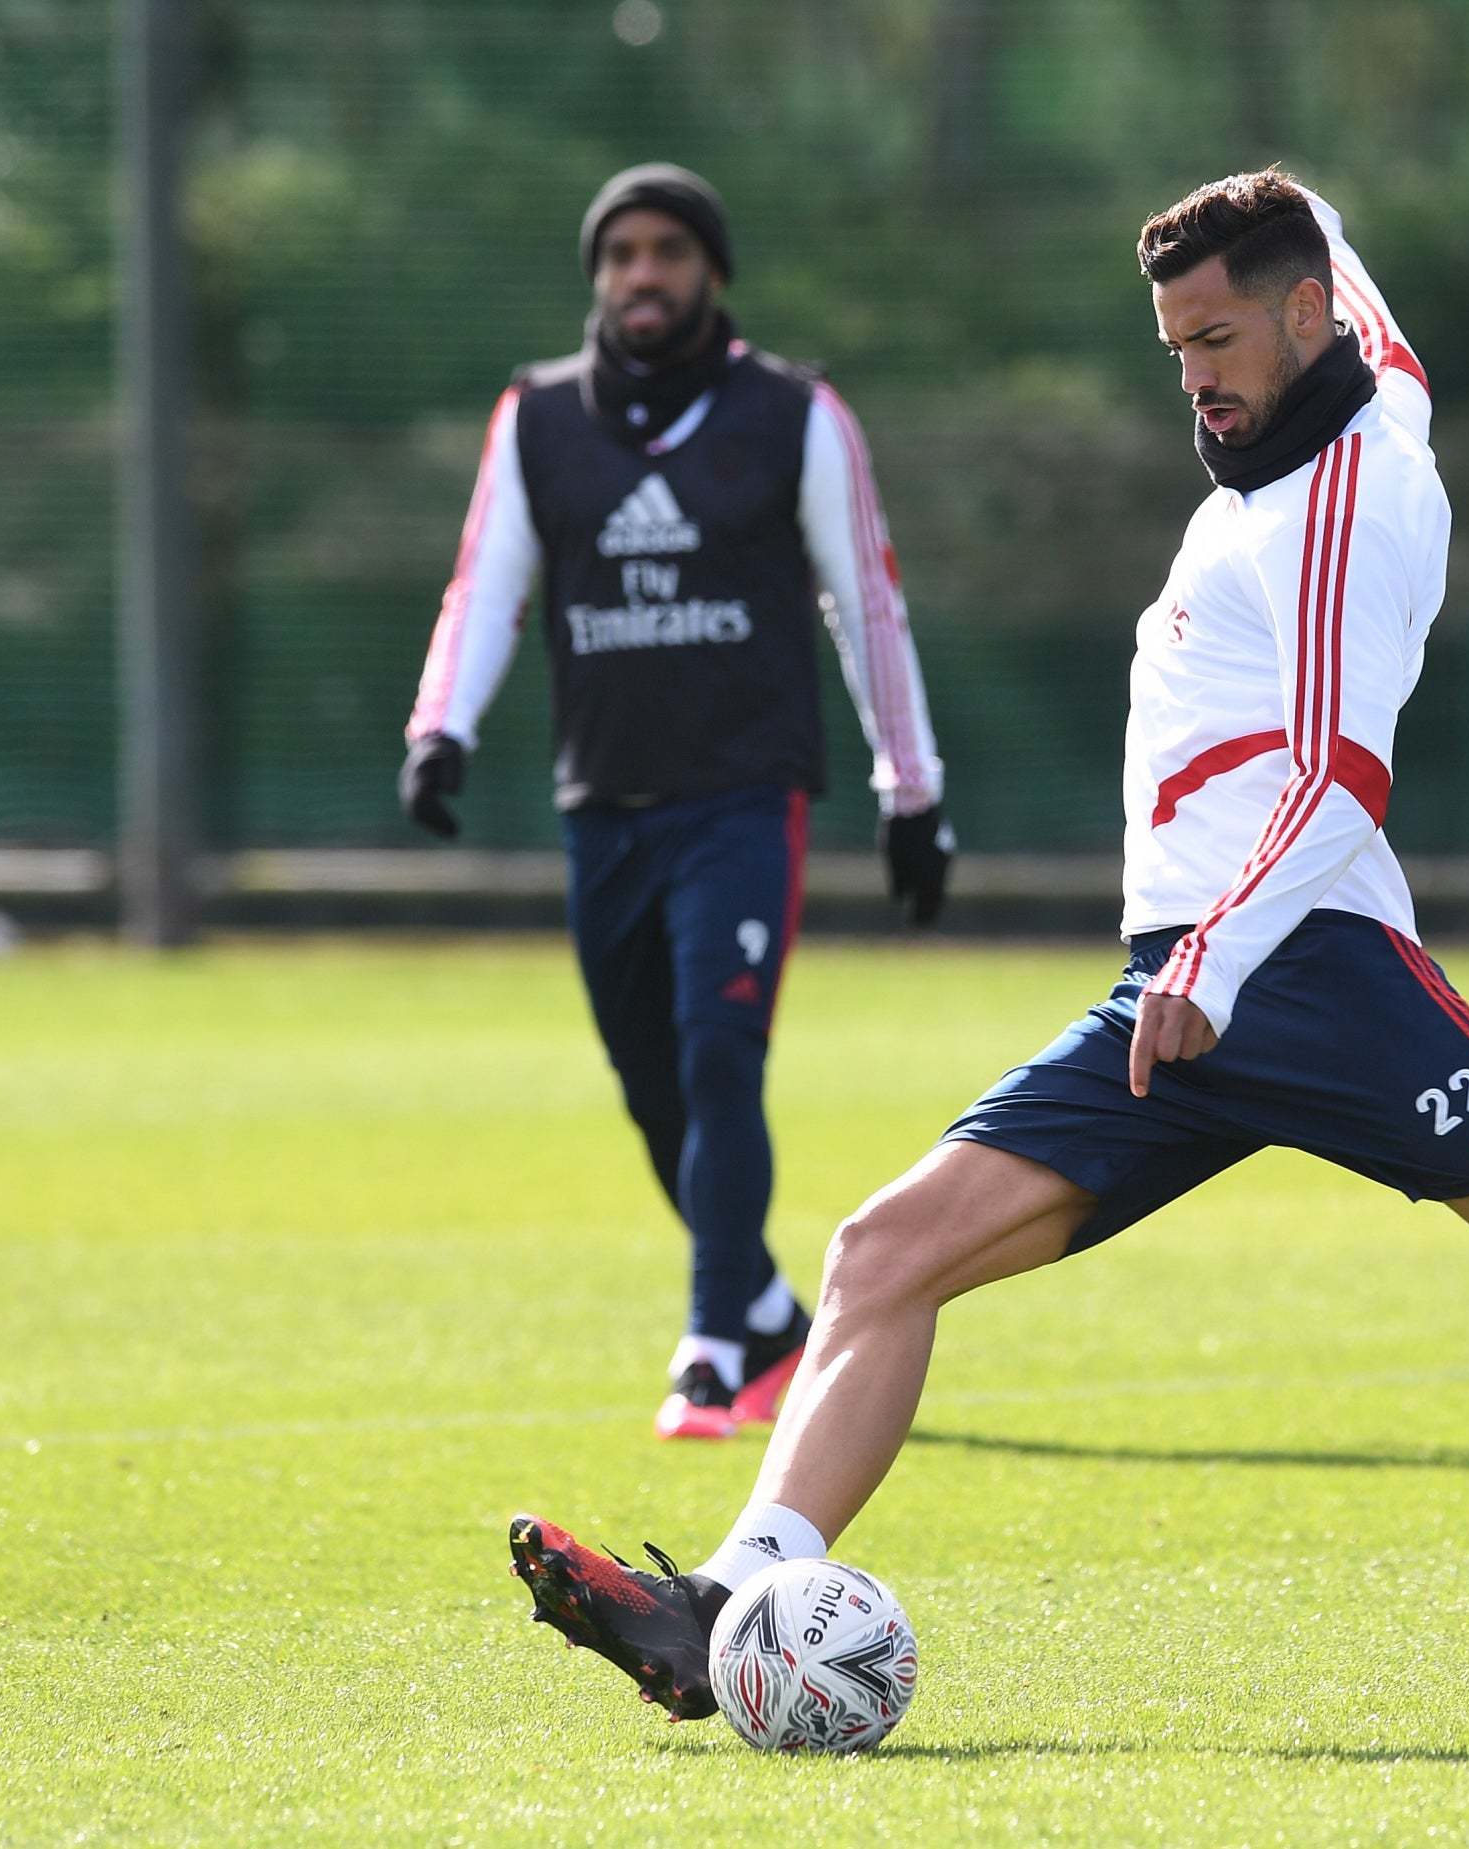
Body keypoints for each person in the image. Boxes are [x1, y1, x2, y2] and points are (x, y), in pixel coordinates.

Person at [502, 172, 1469, 1722]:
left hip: (1300, 964)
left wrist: (1212, 960)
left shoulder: (1346, 500)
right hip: (1182, 981)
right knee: (880, 1255)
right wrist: (1263, 207)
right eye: (1173, 347)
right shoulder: (1348, 371)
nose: (1193, 381)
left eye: (1216, 343)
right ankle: (719, 1604)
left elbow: (1339, 772)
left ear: (1307, 319)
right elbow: (1315, 230)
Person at [401, 164, 953, 1439]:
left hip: (744, 800)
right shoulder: (536, 419)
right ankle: (762, 1305)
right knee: (656, 1086)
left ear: (712, 270)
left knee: (718, 1055)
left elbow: (865, 600)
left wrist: (910, 791)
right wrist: (443, 729)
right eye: (619, 255)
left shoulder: (795, 414)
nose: (640, 275)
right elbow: (486, 585)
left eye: (665, 251)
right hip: (604, 803)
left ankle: (711, 1345)